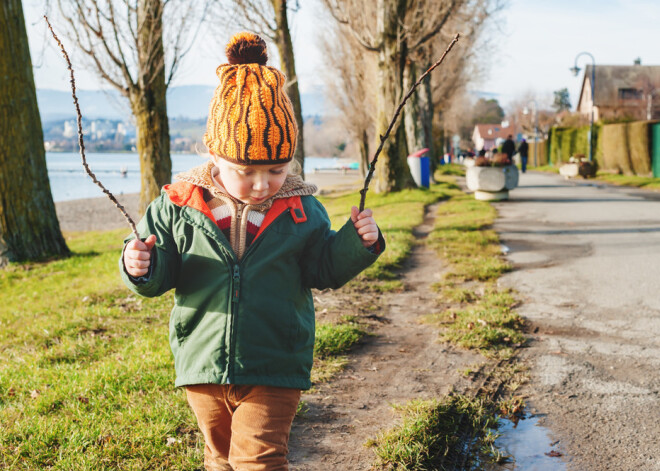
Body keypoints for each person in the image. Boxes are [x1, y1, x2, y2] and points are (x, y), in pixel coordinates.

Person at [120, 32, 384, 471]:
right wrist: (140, 264)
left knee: (260, 460)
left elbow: (322, 267)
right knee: (220, 459)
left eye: (276, 170)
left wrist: (358, 242)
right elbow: (159, 269)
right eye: (247, 171)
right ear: (214, 156)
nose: (263, 184)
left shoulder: (301, 209)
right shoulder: (179, 204)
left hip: (274, 362)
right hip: (202, 364)